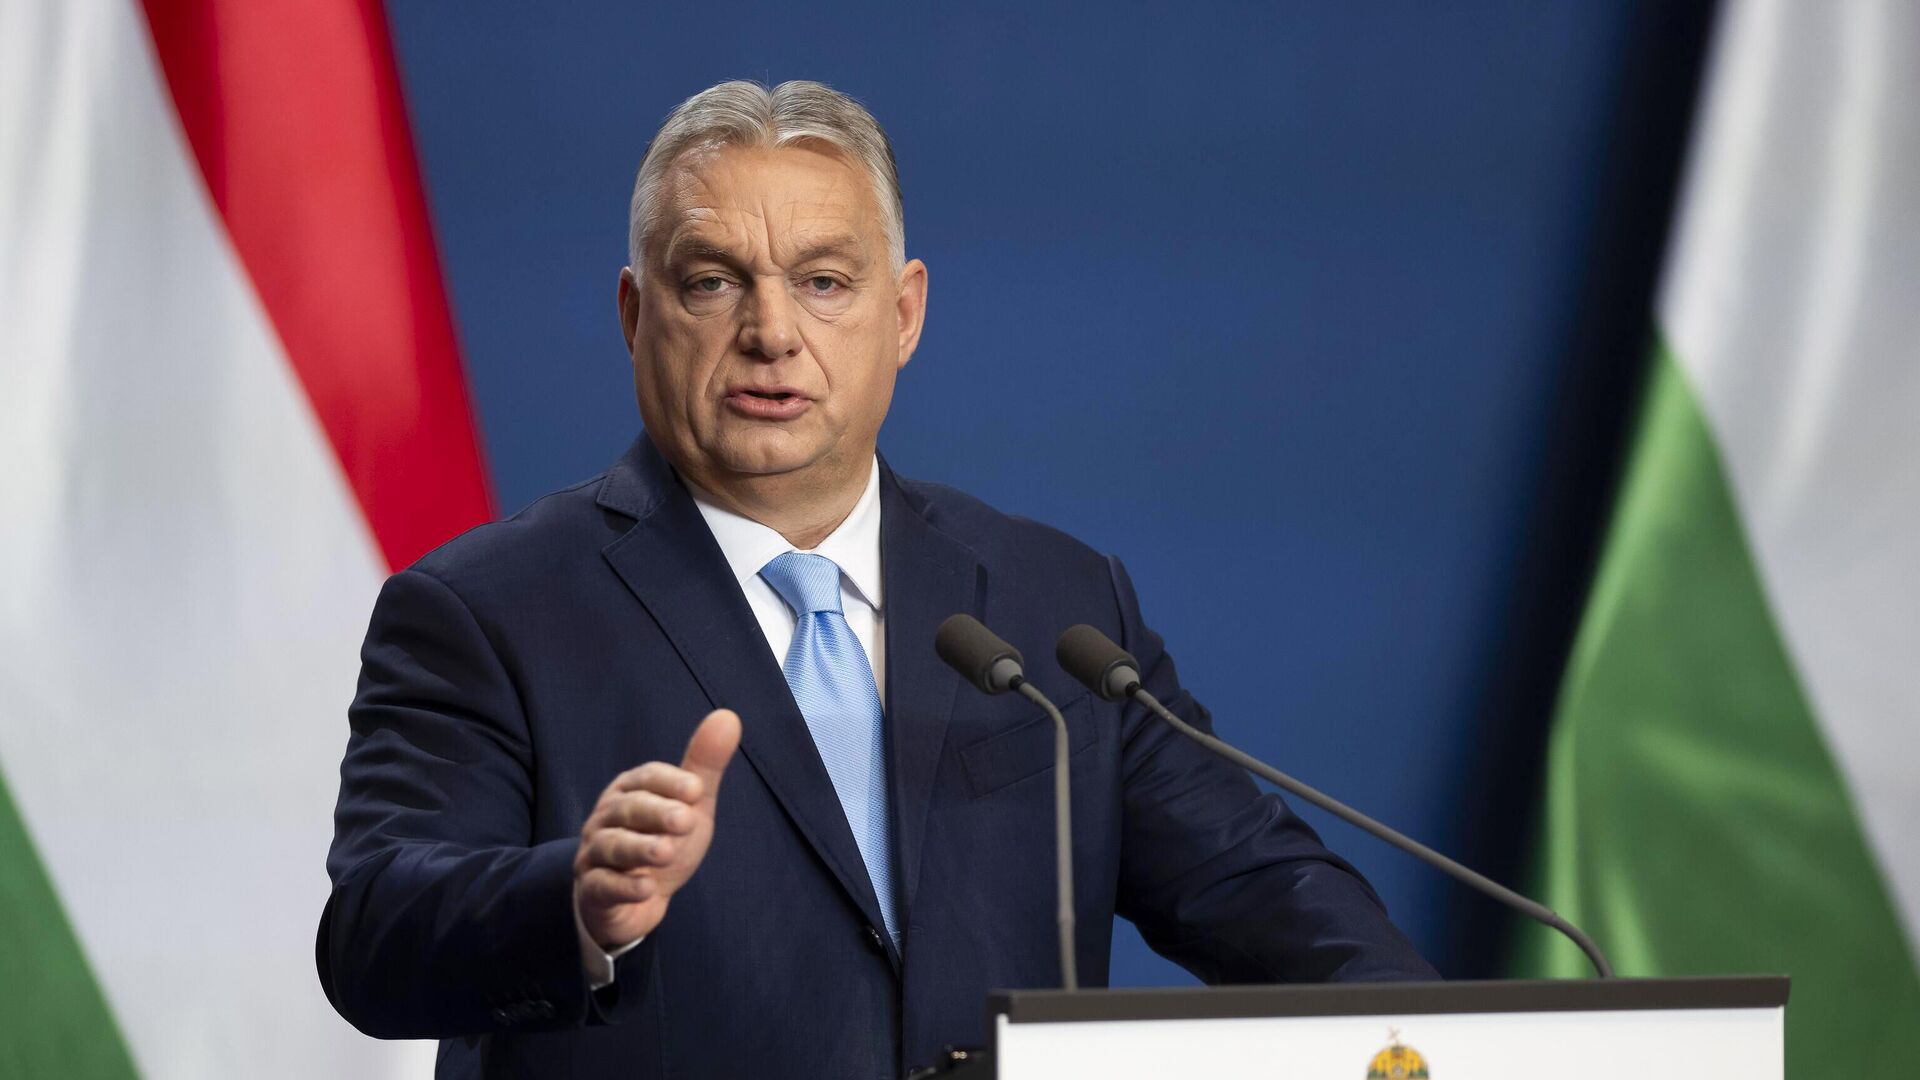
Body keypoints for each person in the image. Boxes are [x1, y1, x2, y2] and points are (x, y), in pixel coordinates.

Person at [318, 79, 1435, 1079]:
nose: (770, 333)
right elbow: (374, 936)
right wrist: (575, 904)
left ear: (903, 315)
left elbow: (1263, 895)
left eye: (823, 282)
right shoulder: (488, 611)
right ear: (635, 314)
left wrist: (1440, 1041)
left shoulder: (1058, 607)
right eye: (711, 282)